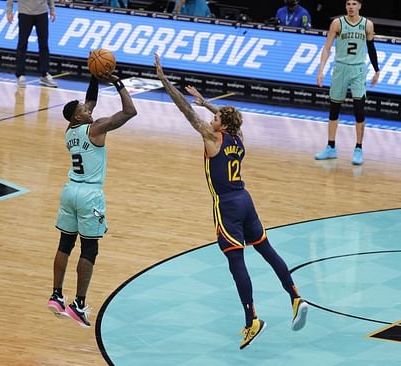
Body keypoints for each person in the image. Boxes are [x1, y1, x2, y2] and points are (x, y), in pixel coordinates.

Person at [154, 53, 308, 350]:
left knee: (236, 261)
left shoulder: (213, 139)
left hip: (226, 205)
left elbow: (185, 111)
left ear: (221, 126)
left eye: (214, 119)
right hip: (246, 200)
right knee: (266, 249)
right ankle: (295, 296)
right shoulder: (238, 138)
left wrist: (164, 81)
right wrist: (209, 103)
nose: (210, 121)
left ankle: (252, 319)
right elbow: (232, 119)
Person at [46, 66, 137, 328]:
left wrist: (94, 77)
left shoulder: (70, 132)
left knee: (65, 244)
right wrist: (118, 83)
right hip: (89, 195)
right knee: (90, 248)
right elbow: (130, 112)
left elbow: (90, 101)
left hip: (69, 191)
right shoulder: (95, 129)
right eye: (84, 111)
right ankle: (79, 304)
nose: (89, 110)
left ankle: (56, 295)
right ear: (78, 117)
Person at [316, 0, 380, 165]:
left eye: (354, 3)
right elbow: (327, 47)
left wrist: (377, 70)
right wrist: (321, 69)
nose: (351, 6)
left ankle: (358, 148)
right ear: (345, 6)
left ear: (360, 6)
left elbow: (371, 48)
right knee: (334, 108)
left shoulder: (367, 25)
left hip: (358, 69)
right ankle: (331, 147)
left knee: (359, 109)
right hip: (340, 68)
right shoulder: (337, 23)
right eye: (348, 3)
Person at [6, 0, 57, 88]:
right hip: (25, 13)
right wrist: (9, 11)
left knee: (44, 44)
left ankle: (44, 74)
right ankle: (20, 75)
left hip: (42, 13)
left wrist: (52, 9)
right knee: (22, 44)